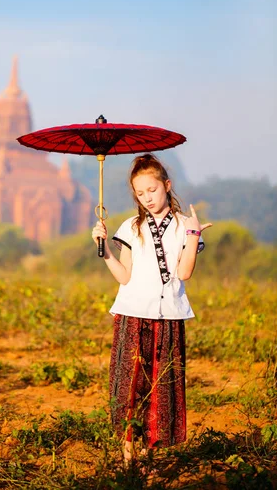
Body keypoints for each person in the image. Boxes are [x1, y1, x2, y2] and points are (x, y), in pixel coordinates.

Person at [91, 153, 212, 464]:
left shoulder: (186, 225)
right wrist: (104, 250)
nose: (147, 198)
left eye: (152, 190)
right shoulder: (131, 226)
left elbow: (184, 273)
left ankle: (148, 455)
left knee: (160, 386)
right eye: (140, 193)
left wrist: (194, 234)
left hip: (169, 316)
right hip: (132, 314)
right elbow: (125, 276)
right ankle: (128, 455)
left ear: (167, 186)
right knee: (130, 384)